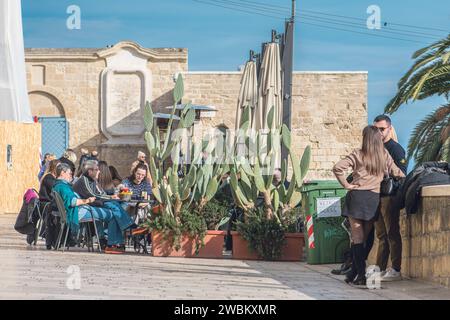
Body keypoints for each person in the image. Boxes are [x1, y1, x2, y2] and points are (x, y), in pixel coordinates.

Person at [333, 125, 405, 286]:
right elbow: (397, 172)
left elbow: (337, 168)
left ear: (365, 138)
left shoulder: (357, 154)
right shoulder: (384, 155)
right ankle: (356, 274)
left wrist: (346, 184)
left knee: (357, 238)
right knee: (364, 238)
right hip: (373, 199)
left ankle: (359, 274)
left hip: (357, 197)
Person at [52, 163, 131, 254]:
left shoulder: (57, 185)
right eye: (70, 173)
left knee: (108, 209)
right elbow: (73, 202)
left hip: (74, 212)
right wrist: (87, 201)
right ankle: (112, 244)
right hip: (78, 212)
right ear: (62, 173)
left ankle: (107, 240)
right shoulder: (63, 186)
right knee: (112, 214)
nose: (71, 175)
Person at [72, 160, 139, 253]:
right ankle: (119, 236)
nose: (99, 171)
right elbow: (92, 195)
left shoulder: (93, 180)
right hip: (87, 207)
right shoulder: (84, 180)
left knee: (115, 206)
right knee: (113, 212)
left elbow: (101, 193)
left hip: (96, 204)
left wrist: (110, 197)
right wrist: (110, 197)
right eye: (96, 169)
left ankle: (114, 242)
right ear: (89, 171)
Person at [372, 115, 408, 281]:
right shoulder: (374, 148)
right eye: (376, 129)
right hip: (376, 195)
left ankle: (395, 269)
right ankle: (379, 269)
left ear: (389, 128)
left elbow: (402, 174)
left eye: (382, 129)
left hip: (389, 196)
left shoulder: (396, 149)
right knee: (381, 235)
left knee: (392, 232)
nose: (379, 132)